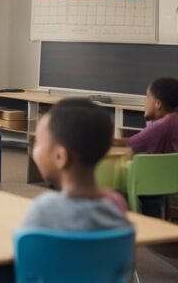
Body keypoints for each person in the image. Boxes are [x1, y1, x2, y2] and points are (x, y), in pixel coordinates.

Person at [24, 98, 131, 230]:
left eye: (38, 142)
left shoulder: (43, 211)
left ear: (60, 156)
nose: (34, 150)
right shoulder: (116, 204)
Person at [123, 77, 178, 216]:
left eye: (147, 97)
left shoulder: (162, 125)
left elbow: (129, 143)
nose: (144, 102)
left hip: (159, 185)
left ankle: (149, 221)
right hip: (171, 181)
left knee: (128, 184)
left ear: (158, 103)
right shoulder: (173, 119)